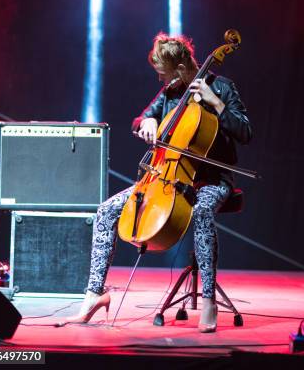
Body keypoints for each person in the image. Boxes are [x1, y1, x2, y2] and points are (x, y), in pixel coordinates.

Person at [63, 32, 252, 333]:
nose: (160, 80)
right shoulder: (170, 92)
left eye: (163, 73)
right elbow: (140, 120)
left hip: (212, 180)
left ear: (180, 68)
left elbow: (245, 132)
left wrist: (216, 103)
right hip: (166, 178)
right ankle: (95, 294)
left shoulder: (222, 88)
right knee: (105, 211)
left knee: (202, 212)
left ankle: (208, 300)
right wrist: (146, 122)